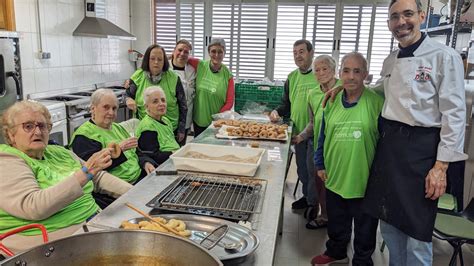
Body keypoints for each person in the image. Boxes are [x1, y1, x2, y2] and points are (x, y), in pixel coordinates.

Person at [362, 0, 468, 265]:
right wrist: (346, 87)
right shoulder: (391, 60)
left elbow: (455, 115)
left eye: (407, 14)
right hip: (390, 148)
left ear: (421, 16)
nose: (401, 22)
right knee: (388, 223)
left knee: (417, 235)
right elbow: (379, 91)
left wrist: (440, 167)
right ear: (389, 24)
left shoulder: (444, 57)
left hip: (423, 152)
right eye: (394, 17)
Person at [0, 100, 132, 252]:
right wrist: (85, 173)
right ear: (11, 134)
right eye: (28, 126)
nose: (37, 132)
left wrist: (136, 193)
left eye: (42, 126)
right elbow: (33, 206)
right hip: (51, 243)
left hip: (94, 223)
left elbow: (98, 177)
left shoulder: (59, 152)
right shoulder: (7, 160)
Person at [311, 52, 382, 265]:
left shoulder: (377, 102)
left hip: (364, 179)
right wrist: (319, 163)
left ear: (365, 75)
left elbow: (385, 143)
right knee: (337, 221)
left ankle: (361, 261)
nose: (351, 76)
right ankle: (336, 251)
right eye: (346, 71)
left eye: (357, 71)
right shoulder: (331, 101)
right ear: (340, 73)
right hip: (334, 174)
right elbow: (322, 135)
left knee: (365, 228)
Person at [269, 39, 319, 214]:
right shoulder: (291, 78)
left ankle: (314, 204)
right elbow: (286, 105)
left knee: (313, 171)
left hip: (316, 133)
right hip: (298, 133)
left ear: (311, 53)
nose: (298, 56)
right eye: (295, 52)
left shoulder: (319, 74)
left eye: (302, 51)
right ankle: (307, 197)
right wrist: (276, 111)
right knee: (302, 169)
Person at [70, 88, 155, 185]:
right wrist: (119, 149)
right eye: (106, 107)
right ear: (93, 109)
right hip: (120, 186)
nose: (111, 112)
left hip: (141, 176)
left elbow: (136, 153)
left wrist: (145, 163)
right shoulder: (83, 136)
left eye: (114, 108)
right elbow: (94, 171)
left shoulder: (118, 128)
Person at [298, 55, 341, 229]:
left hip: (339, 145)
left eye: (325, 69)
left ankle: (338, 219)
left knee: (337, 184)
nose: (321, 73)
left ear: (333, 70)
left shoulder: (343, 88)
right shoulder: (313, 93)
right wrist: (301, 136)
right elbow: (313, 122)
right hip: (318, 146)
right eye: (317, 70)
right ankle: (323, 215)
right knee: (319, 181)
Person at [125, 44, 187, 144]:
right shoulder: (137, 77)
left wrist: (181, 129)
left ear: (164, 61)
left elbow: (183, 105)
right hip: (147, 130)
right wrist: (128, 99)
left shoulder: (174, 78)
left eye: (160, 59)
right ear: (147, 60)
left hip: (170, 129)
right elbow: (127, 95)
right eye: (152, 59)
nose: (156, 62)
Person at [188, 38, 234, 137]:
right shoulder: (200, 65)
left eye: (220, 52)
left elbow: (229, 102)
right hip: (199, 121)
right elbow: (183, 56)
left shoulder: (228, 75)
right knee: (199, 150)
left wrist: (218, 118)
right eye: (213, 51)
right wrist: (167, 57)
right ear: (209, 52)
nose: (216, 55)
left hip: (217, 123)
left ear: (224, 53)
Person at [135, 86, 180, 166]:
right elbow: (153, 156)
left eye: (163, 100)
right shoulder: (148, 127)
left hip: (175, 159)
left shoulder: (166, 120)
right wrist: (174, 153)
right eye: (155, 102)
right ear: (146, 106)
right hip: (164, 165)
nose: (161, 104)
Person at [169, 39, 196, 145]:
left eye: (186, 52)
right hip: (168, 119)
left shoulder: (192, 71)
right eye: (179, 50)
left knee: (180, 148)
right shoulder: (165, 69)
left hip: (185, 121)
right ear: (173, 51)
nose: (182, 54)